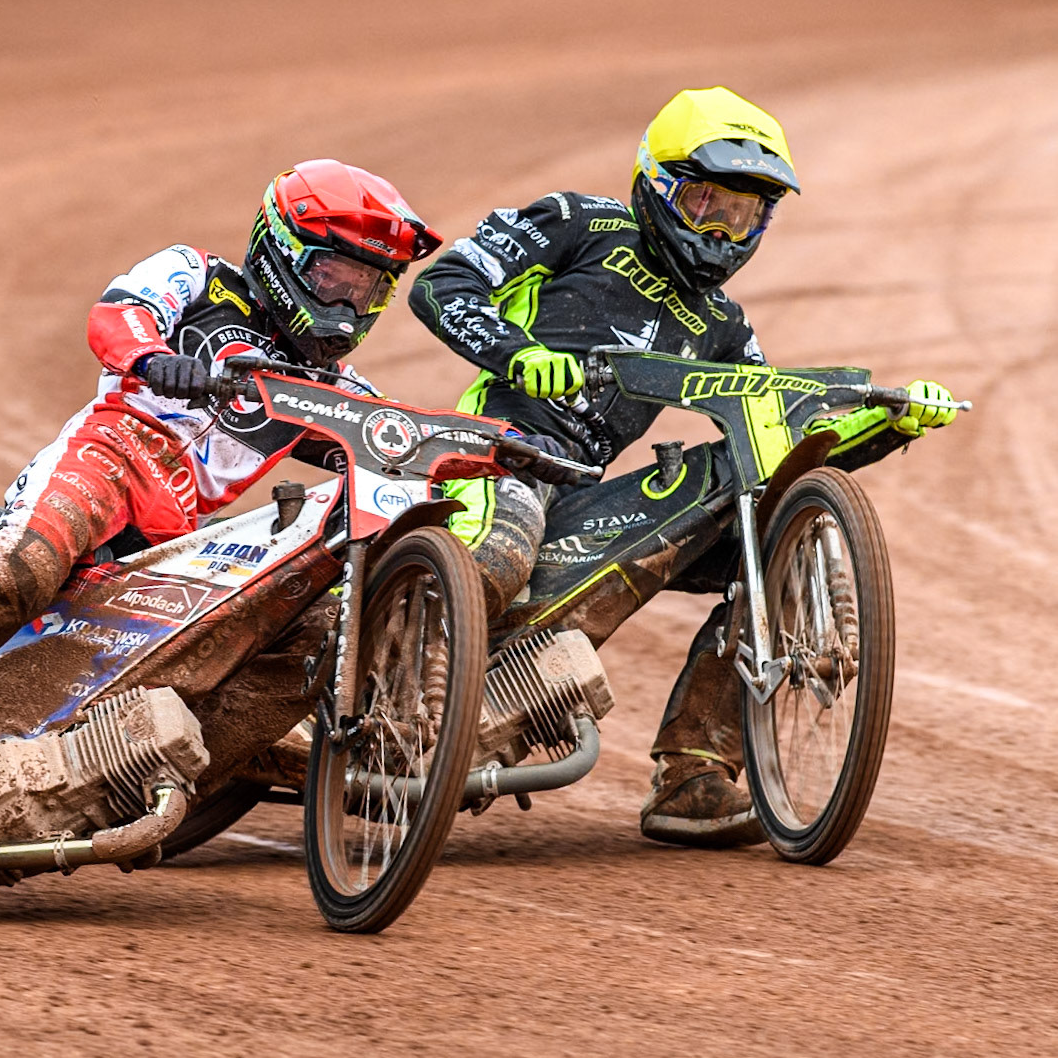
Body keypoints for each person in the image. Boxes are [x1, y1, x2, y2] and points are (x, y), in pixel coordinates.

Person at [0, 159, 442, 852]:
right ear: (283, 251)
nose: (348, 305)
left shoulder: (331, 383)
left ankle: (136, 779)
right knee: (21, 570)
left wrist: (499, 449)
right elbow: (116, 315)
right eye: (335, 278)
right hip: (111, 457)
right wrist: (151, 359)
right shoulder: (195, 273)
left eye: (369, 288)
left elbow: (399, 437)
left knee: (313, 636)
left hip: (179, 534)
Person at [408, 87, 959, 847]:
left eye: (742, 214)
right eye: (705, 202)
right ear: (657, 184)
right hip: (491, 463)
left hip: (581, 493)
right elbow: (442, 283)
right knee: (503, 545)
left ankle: (695, 772)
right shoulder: (578, 223)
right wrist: (518, 354)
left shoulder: (724, 326)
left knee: (772, 536)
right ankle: (402, 689)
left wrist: (891, 422)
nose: (720, 228)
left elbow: (775, 442)